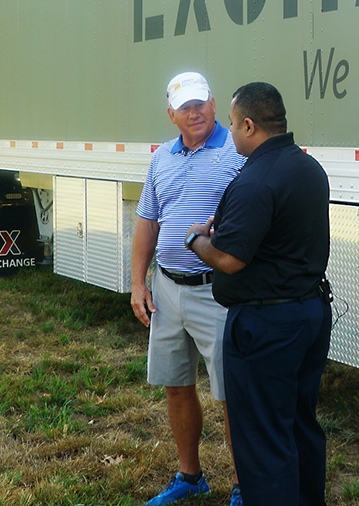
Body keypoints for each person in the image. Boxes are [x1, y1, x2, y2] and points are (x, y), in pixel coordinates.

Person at [184, 82, 333, 506]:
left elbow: (229, 258)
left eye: (231, 125)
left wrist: (196, 239)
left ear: (249, 125)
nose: (229, 134)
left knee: (263, 439)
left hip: (266, 327)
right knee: (300, 424)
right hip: (309, 314)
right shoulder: (308, 168)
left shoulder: (255, 179)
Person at [132, 72, 246, 506]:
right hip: (167, 289)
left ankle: (243, 485)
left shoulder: (238, 152)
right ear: (171, 114)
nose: (194, 112)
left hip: (217, 291)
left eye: (200, 104)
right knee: (176, 384)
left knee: (232, 392)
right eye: (185, 107)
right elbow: (148, 221)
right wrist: (138, 283)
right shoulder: (162, 157)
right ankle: (190, 476)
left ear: (214, 105)